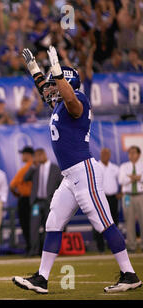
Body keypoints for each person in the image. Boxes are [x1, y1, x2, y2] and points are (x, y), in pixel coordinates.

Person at [12, 46, 140, 294]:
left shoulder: (77, 99)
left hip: (84, 171)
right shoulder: (59, 104)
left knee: (104, 222)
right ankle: (42, 277)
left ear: (65, 83)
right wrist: (34, 69)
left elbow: (69, 98)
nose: (49, 89)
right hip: (70, 176)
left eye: (54, 84)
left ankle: (130, 274)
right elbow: (48, 91)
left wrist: (59, 74)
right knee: (53, 221)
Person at [24, 148, 62, 256]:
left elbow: (61, 184)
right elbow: (25, 178)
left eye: (40, 155)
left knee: (49, 227)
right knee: (34, 227)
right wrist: (33, 165)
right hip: (37, 202)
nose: (39, 157)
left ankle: (48, 251)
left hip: (49, 202)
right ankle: (34, 251)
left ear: (45, 155)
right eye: (37, 155)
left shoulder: (55, 168)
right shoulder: (35, 168)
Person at [9, 146, 34, 256]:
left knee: (27, 224)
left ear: (28, 155)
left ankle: (31, 247)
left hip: (26, 199)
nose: (22, 156)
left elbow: (12, 185)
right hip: (34, 199)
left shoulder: (28, 167)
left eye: (23, 154)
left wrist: (17, 194)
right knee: (33, 225)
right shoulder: (35, 166)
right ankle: (33, 247)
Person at [95, 147, 121, 253]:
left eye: (107, 153)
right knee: (99, 222)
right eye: (103, 153)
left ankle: (113, 246)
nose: (105, 155)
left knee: (113, 222)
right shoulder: (96, 166)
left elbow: (122, 180)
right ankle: (100, 247)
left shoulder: (115, 168)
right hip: (101, 198)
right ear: (100, 155)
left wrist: (122, 192)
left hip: (113, 198)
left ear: (110, 155)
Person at [119, 146, 143, 253]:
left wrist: (135, 177)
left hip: (140, 195)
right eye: (130, 153)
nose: (131, 155)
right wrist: (135, 177)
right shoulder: (124, 166)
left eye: (134, 152)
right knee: (129, 221)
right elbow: (121, 180)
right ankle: (132, 245)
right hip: (127, 196)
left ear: (139, 154)